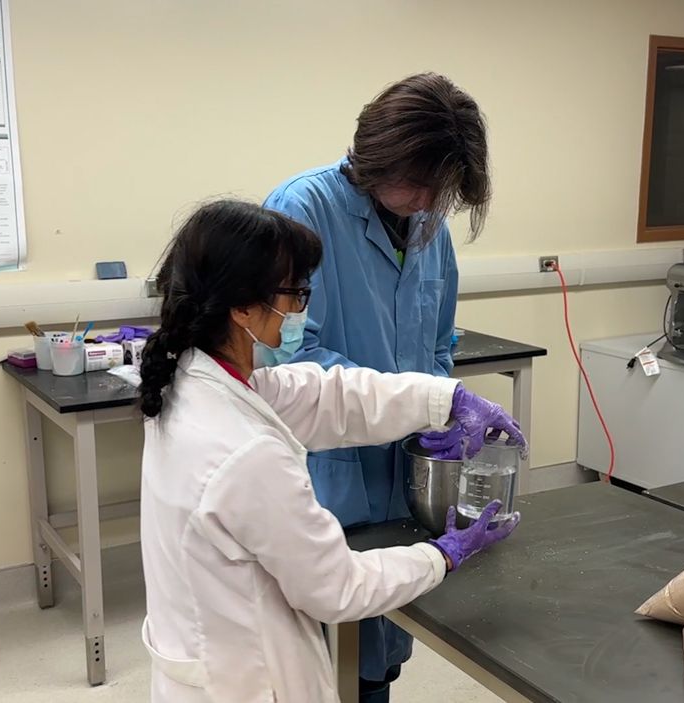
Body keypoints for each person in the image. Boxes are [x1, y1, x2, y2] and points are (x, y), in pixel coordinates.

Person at [136, 200, 522, 703]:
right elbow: (338, 589)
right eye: (295, 293)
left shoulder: (189, 380)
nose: (301, 311)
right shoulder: (246, 452)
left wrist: (445, 399)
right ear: (242, 307)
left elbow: (326, 396)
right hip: (246, 684)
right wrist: (441, 556)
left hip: (203, 658)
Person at [264, 72, 511, 700]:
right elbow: (289, 360)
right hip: (331, 469)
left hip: (404, 474)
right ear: (378, 156)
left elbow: (437, 345)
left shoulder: (430, 227)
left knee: (384, 648)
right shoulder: (301, 211)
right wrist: (412, 401)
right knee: (327, 656)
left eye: (442, 188)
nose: (429, 201)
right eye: (420, 182)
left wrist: (444, 410)